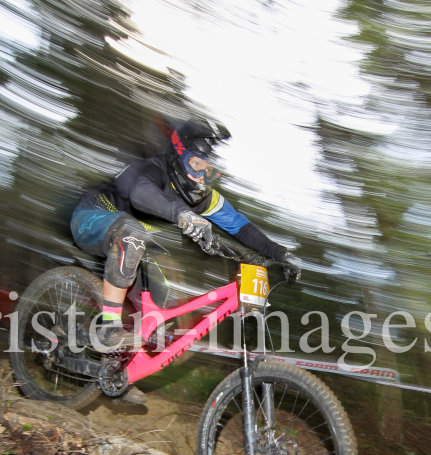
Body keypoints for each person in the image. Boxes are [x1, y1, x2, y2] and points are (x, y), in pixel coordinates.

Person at [69, 120, 301, 401]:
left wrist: (280, 254)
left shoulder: (201, 197)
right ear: (177, 156)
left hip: (135, 243)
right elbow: (141, 194)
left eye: (208, 169)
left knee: (160, 307)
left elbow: (242, 227)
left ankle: (119, 369)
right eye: (196, 164)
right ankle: (107, 327)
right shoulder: (151, 170)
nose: (201, 175)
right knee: (132, 235)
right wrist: (183, 214)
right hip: (92, 217)